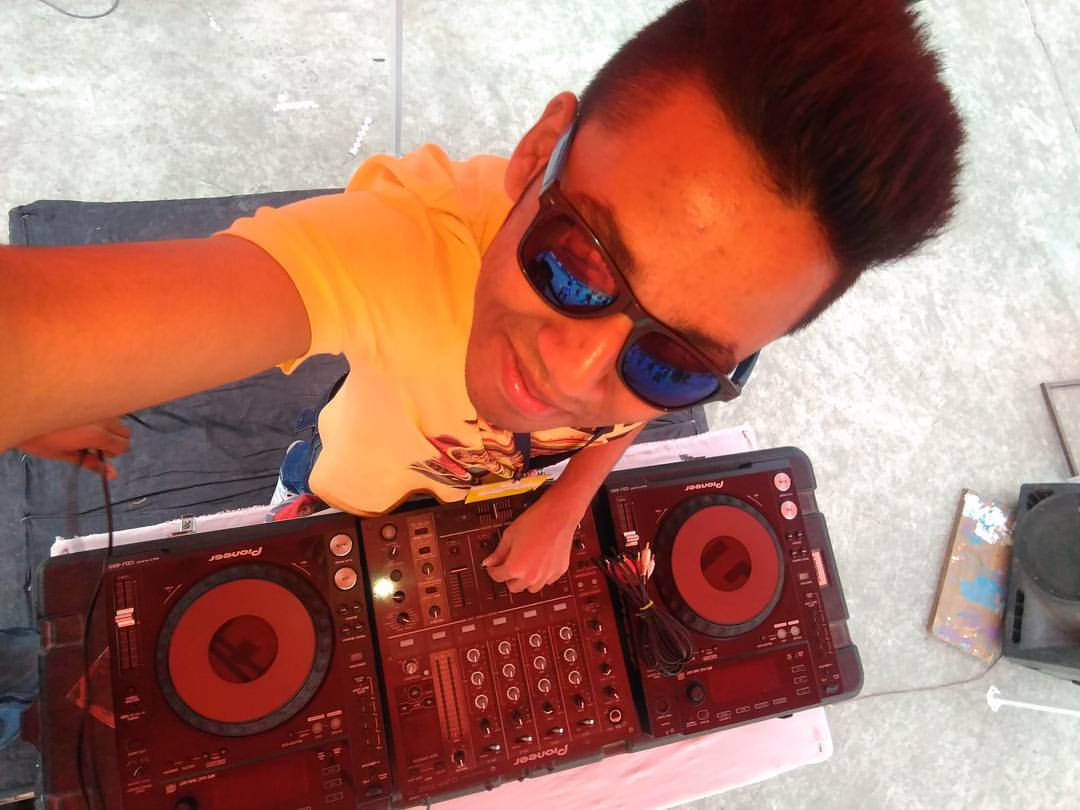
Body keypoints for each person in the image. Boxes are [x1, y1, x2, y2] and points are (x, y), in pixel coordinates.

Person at [1, 2, 962, 743]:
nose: (576, 371)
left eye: (672, 362)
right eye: (578, 264)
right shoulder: (402, 246)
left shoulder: (696, 336)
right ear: (538, 155)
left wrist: (567, 502)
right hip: (344, 490)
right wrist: (55, 375)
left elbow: (621, 412)